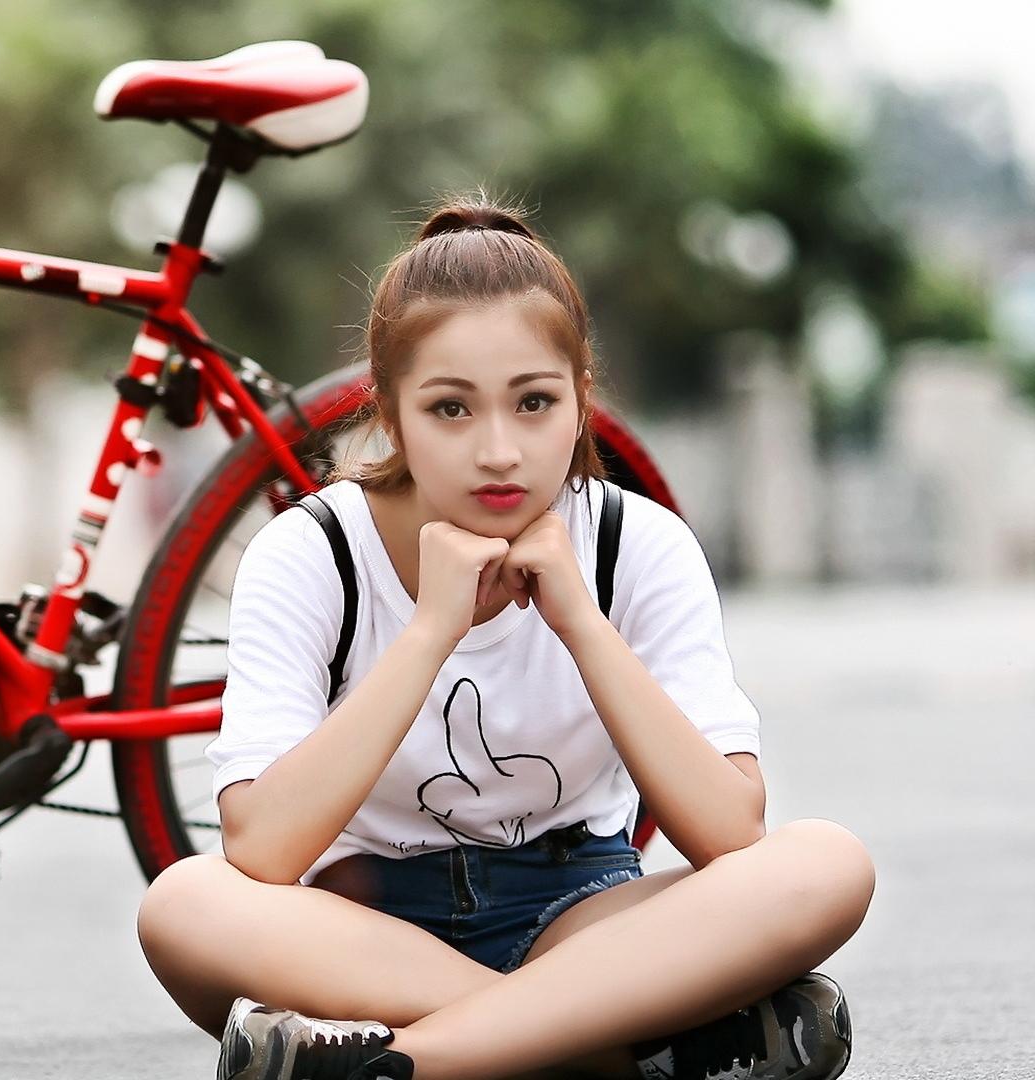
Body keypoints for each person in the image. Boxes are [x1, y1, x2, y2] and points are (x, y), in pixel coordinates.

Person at [134, 196, 877, 1080]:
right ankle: (609, 1050)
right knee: (184, 905)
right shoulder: (313, 551)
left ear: (580, 401)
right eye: (451, 409)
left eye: (533, 402)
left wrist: (580, 623)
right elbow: (260, 850)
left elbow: (727, 829)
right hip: (366, 935)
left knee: (826, 864)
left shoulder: (632, 545)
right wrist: (430, 631)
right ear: (391, 412)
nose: (498, 451)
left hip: (583, 917)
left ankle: (405, 1065)